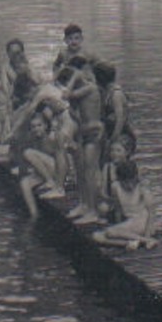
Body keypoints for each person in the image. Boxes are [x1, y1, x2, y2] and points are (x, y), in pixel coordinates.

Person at [58, 59, 105, 221]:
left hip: (93, 133)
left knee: (89, 173)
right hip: (82, 133)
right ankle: (84, 205)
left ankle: (93, 211)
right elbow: (75, 114)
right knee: (80, 171)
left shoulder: (90, 88)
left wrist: (75, 77)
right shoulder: (80, 92)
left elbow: (65, 94)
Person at [93, 159, 156, 249]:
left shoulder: (141, 188)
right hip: (128, 222)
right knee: (96, 236)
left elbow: (151, 212)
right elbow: (118, 208)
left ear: (135, 178)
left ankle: (146, 240)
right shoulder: (115, 187)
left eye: (131, 181)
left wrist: (148, 234)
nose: (129, 185)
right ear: (120, 180)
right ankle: (129, 243)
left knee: (110, 232)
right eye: (125, 183)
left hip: (141, 221)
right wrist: (118, 224)